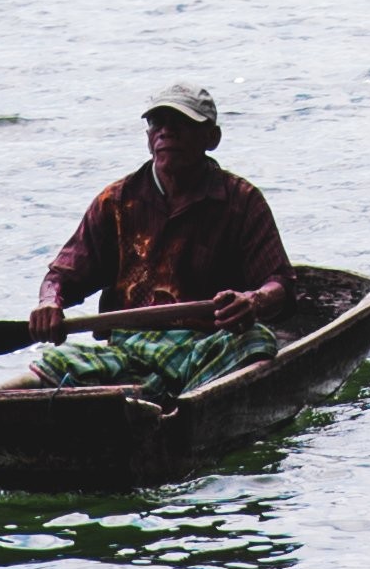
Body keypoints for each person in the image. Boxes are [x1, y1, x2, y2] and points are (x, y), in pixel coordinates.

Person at [28, 81, 292, 385]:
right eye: (157, 123)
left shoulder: (242, 201)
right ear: (148, 137)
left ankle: (178, 399)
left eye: (181, 123)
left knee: (257, 340)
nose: (166, 132)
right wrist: (49, 303)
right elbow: (62, 276)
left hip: (207, 346)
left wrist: (252, 301)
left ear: (212, 137)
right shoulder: (115, 201)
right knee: (54, 361)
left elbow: (280, 283)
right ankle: (151, 393)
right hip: (128, 349)